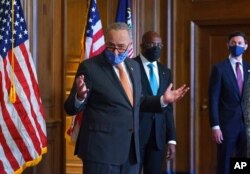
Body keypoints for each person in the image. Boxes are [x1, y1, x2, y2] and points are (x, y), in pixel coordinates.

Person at [64, 22, 189, 174]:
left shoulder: (133, 67)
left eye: (121, 47)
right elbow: (70, 107)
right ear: (105, 43)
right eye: (110, 46)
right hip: (101, 153)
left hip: (130, 153)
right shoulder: (90, 67)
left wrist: (163, 100)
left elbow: (137, 101)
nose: (115, 52)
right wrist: (79, 96)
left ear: (130, 45)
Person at [134, 31, 176, 174]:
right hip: (135, 134)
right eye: (151, 44)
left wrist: (171, 140)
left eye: (159, 45)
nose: (156, 48)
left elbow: (168, 108)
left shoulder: (165, 71)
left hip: (158, 136)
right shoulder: (131, 67)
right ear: (141, 45)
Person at [208, 31, 250, 174]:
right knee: (225, 163)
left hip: (246, 126)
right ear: (228, 45)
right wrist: (215, 126)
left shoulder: (248, 68)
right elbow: (213, 98)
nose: (236, 46)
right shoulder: (219, 69)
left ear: (246, 46)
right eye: (233, 43)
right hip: (226, 125)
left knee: (242, 163)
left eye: (239, 43)